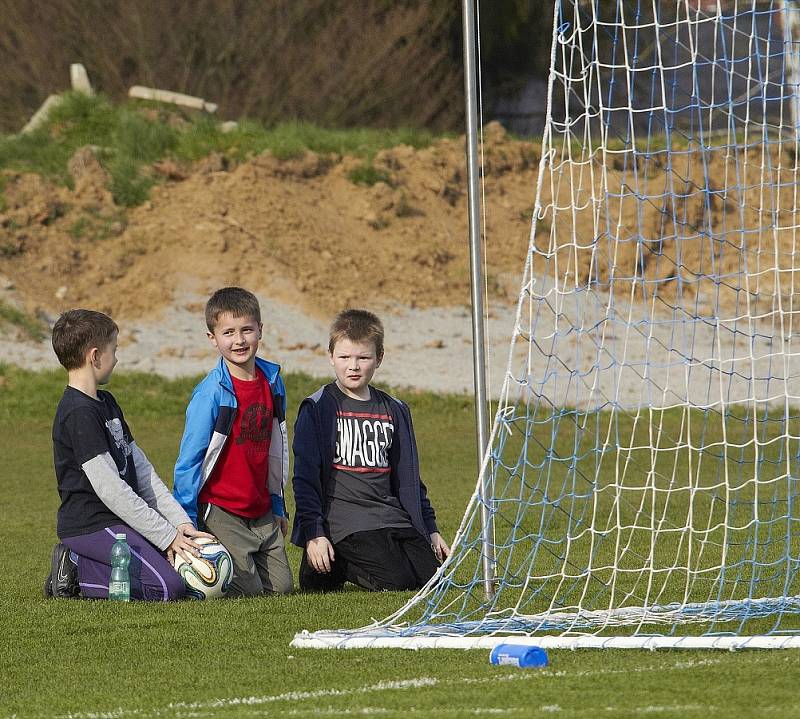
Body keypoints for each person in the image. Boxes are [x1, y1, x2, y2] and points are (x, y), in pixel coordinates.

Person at [48, 309, 210, 600]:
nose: (117, 358)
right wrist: (165, 535)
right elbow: (111, 491)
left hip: (121, 521)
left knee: (177, 569)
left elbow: (143, 472)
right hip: (92, 524)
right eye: (115, 350)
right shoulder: (78, 413)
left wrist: (179, 523)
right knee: (167, 588)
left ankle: (92, 562)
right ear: (95, 356)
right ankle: (74, 566)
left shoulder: (107, 402)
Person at [291, 308, 450, 592]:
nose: (353, 366)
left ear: (379, 359)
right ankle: (329, 564)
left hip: (391, 517)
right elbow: (305, 479)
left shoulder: (395, 409)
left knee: (434, 581)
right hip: (347, 522)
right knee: (397, 581)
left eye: (363, 358)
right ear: (331, 357)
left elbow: (410, 479)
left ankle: (339, 561)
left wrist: (431, 530)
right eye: (344, 357)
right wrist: (314, 533)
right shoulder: (318, 407)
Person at [173, 287, 292, 596]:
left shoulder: (272, 382)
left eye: (247, 330)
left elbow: (276, 452)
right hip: (222, 510)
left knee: (282, 590)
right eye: (228, 332)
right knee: (249, 592)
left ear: (260, 330)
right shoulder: (211, 393)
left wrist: (277, 504)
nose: (239, 340)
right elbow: (189, 460)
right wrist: (187, 521)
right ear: (213, 338)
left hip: (261, 509)